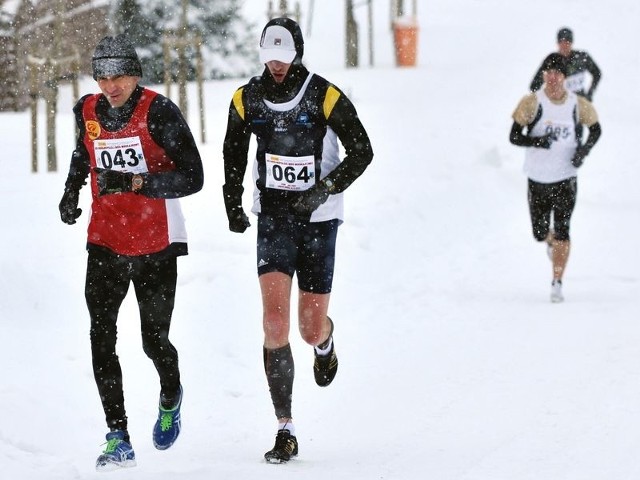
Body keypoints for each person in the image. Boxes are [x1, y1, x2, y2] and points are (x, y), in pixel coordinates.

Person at [222, 17, 373, 463]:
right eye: (269, 56)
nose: (276, 65)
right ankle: (284, 427)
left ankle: (325, 342)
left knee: (307, 328)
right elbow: (232, 156)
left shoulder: (324, 95)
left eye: (284, 57)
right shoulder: (246, 98)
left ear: (298, 53)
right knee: (273, 322)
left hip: (319, 220)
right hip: (273, 218)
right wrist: (232, 204)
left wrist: (322, 190)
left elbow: (363, 150)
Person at [58, 34, 204, 471]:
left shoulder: (158, 112)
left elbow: (193, 176)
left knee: (152, 341)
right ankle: (117, 435)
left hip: (156, 243)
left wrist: (141, 183)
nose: (110, 85)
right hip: (105, 241)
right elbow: (82, 154)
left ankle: (170, 395)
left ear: (135, 74)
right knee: (101, 340)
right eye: (102, 76)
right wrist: (70, 192)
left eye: (118, 75)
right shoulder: (88, 111)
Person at [510, 53, 601, 303]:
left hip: (565, 178)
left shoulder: (577, 104)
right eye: (549, 73)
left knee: (563, 230)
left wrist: (583, 151)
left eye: (558, 74)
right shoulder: (531, 103)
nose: (553, 78)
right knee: (539, 233)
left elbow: (596, 129)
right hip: (537, 178)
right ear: (543, 76)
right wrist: (536, 140)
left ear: (564, 77)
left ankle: (557, 282)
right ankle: (548, 240)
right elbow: (514, 136)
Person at [530, 27, 601, 101]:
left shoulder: (581, 57)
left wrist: (590, 93)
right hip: (558, 103)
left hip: (579, 102)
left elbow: (597, 73)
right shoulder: (551, 60)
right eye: (561, 42)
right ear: (557, 43)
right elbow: (534, 86)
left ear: (571, 43)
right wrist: (544, 100)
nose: (564, 45)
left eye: (567, 42)